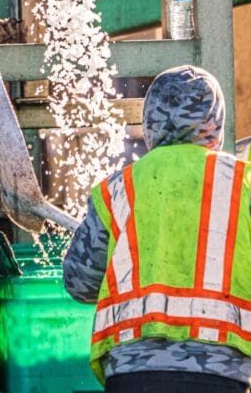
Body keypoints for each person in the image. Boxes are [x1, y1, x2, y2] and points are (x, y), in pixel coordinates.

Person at [63, 65, 251, 393]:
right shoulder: (243, 183)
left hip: (132, 374)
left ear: (150, 122)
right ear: (216, 124)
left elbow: (79, 283)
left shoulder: (117, 190)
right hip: (221, 373)